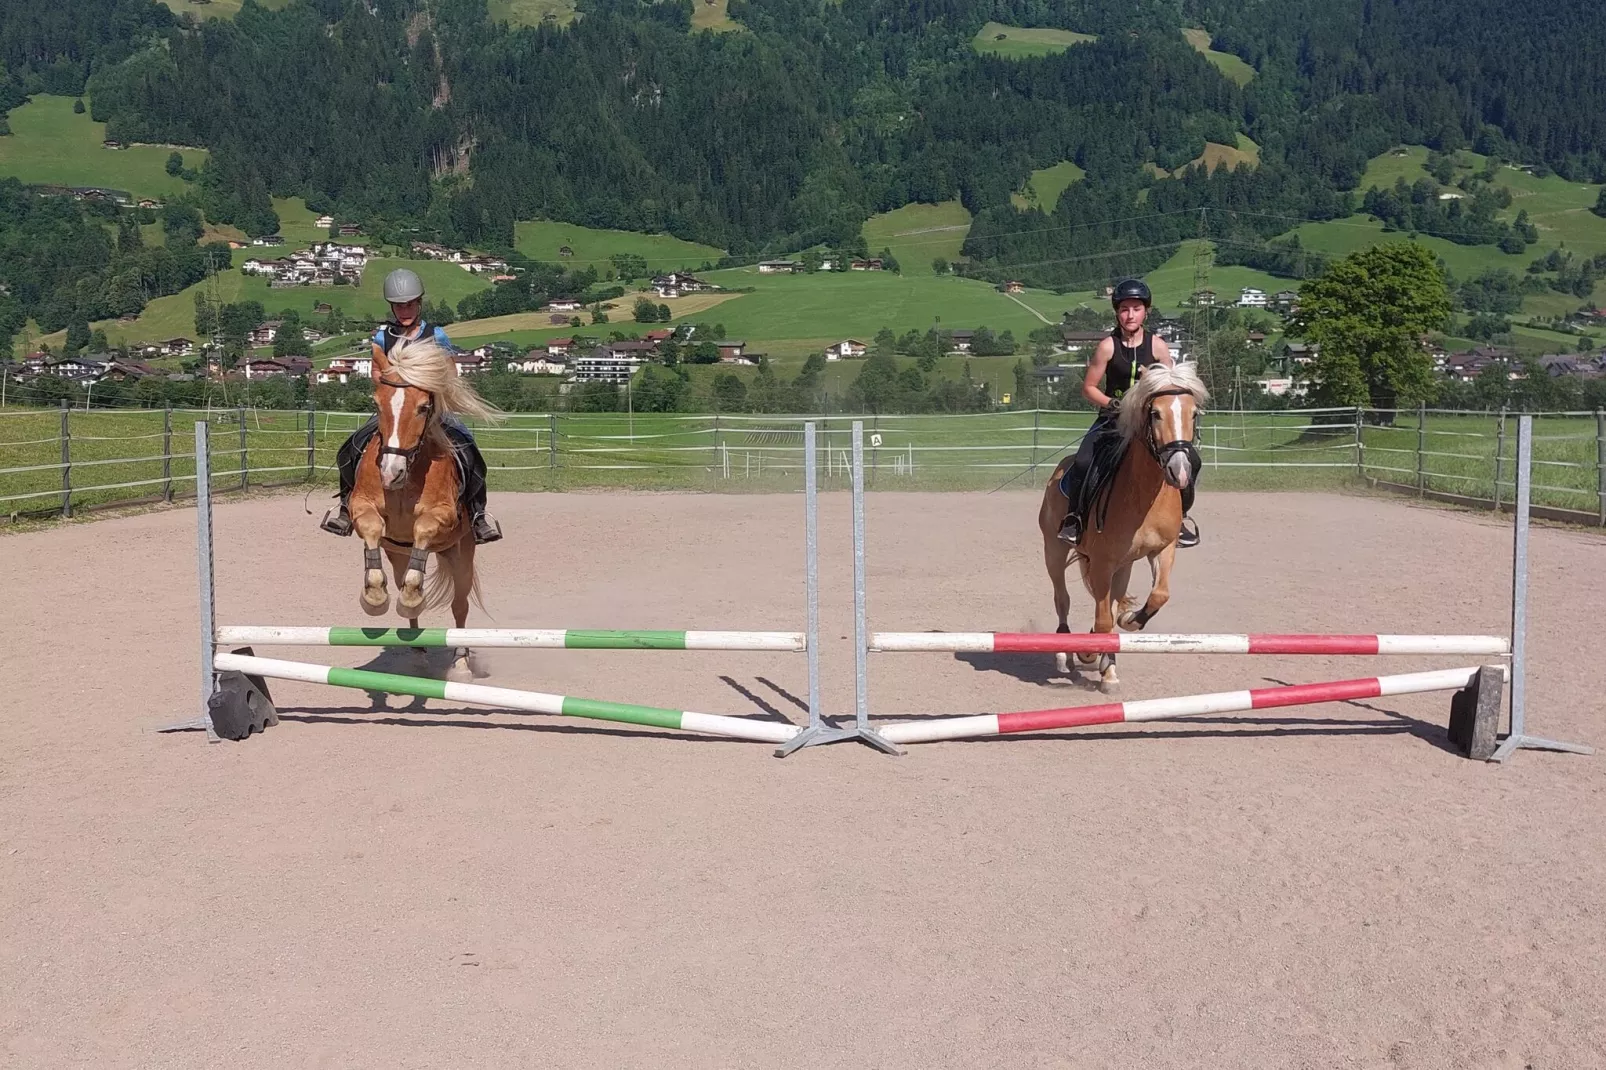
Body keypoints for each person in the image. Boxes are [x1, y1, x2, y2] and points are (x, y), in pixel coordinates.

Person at [320, 268, 502, 544]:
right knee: (352, 446)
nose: (404, 310)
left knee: (468, 447)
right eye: (399, 305)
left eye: (409, 304)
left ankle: (478, 514)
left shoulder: (435, 335)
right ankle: (346, 507)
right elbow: (376, 374)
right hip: (395, 408)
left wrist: (424, 385)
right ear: (392, 307)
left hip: (430, 409)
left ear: (419, 303)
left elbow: (450, 373)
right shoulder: (382, 337)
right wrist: (394, 382)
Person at [1057, 277, 1200, 548]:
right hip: (1113, 420)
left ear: (1146, 311)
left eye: (1136, 308)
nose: (1130, 314)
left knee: (1191, 460)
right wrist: (1112, 404)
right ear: (1117, 313)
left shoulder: (1157, 346)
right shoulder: (1107, 347)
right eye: (1124, 309)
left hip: (1151, 423)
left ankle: (1179, 518)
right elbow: (1089, 388)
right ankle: (1075, 518)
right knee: (1085, 460)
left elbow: (1170, 383)